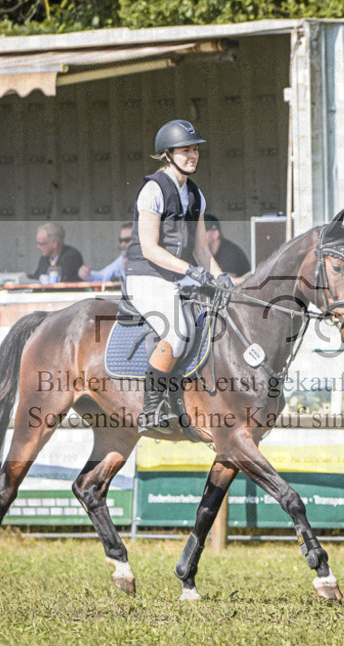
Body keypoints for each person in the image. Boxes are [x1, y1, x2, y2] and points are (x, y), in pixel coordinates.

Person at [124, 120, 231, 433]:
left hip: (179, 276)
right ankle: (151, 408)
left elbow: (200, 248)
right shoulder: (152, 191)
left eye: (195, 149)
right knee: (177, 332)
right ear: (168, 154)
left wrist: (222, 278)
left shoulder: (196, 194)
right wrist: (190, 271)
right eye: (185, 150)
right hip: (147, 275)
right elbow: (149, 248)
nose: (192, 155)